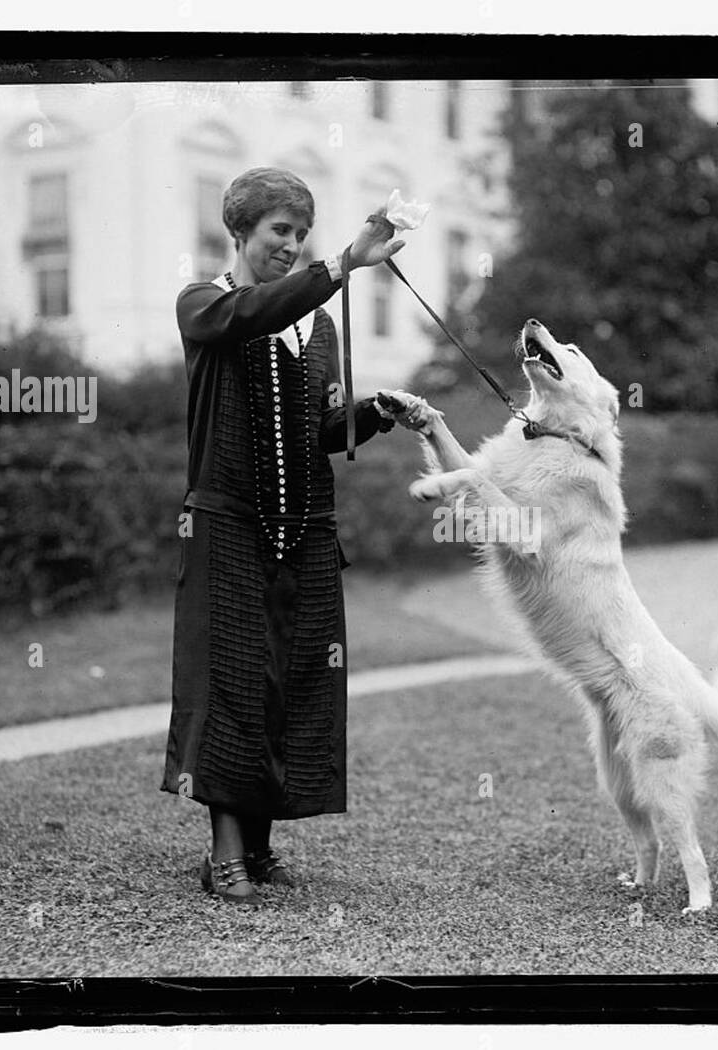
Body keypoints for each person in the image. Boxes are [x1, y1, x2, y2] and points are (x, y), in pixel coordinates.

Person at [160, 166, 430, 906]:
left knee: (297, 682)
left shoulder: (324, 327)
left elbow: (320, 433)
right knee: (232, 681)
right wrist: (340, 264)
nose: (291, 244)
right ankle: (224, 856)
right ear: (240, 231)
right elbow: (256, 314)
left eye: (301, 233)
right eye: (280, 231)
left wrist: (378, 412)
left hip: (305, 529)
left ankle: (262, 844)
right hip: (226, 523)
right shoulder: (204, 304)